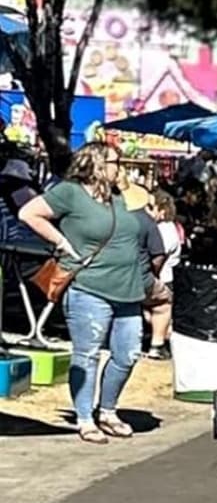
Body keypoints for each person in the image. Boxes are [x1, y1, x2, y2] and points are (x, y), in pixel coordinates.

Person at [18, 141, 152, 443]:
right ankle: (85, 419)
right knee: (87, 354)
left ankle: (108, 411)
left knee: (127, 354)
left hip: (129, 290)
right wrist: (62, 243)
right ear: (97, 164)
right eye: (115, 162)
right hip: (88, 287)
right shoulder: (70, 193)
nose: (120, 168)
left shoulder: (119, 197)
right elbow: (29, 213)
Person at [145, 189, 182, 360]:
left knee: (161, 309)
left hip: (162, 279)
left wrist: (150, 274)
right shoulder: (154, 227)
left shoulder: (166, 230)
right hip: (150, 277)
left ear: (162, 210)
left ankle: (159, 344)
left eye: (150, 207)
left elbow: (158, 257)